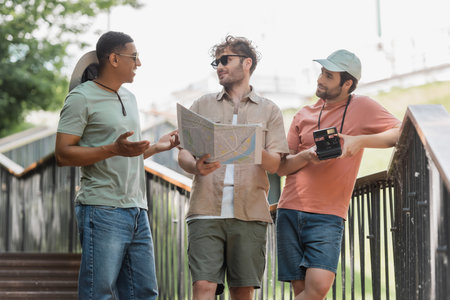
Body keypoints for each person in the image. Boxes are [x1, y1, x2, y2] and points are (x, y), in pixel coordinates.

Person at [55, 31, 179, 300]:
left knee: (144, 293)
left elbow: (125, 153)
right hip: (101, 209)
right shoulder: (81, 98)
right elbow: (63, 154)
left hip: (137, 210)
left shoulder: (131, 98)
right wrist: (112, 148)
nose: (139, 63)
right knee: (98, 293)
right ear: (113, 58)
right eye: (133, 57)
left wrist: (158, 146)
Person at [276, 49, 401, 300]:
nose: (320, 79)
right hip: (289, 209)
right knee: (301, 291)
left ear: (347, 83)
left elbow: (401, 132)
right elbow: (282, 167)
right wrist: (306, 156)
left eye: (328, 75)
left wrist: (359, 141)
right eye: (321, 72)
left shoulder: (363, 107)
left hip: (328, 215)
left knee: (318, 288)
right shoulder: (303, 114)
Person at [178, 35, 289, 300]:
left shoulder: (270, 110)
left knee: (242, 291)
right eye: (216, 62)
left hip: (250, 212)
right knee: (203, 286)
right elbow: (182, 152)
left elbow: (275, 164)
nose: (219, 66)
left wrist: (247, 146)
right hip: (205, 210)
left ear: (247, 63)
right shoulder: (202, 105)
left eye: (226, 60)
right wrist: (195, 166)